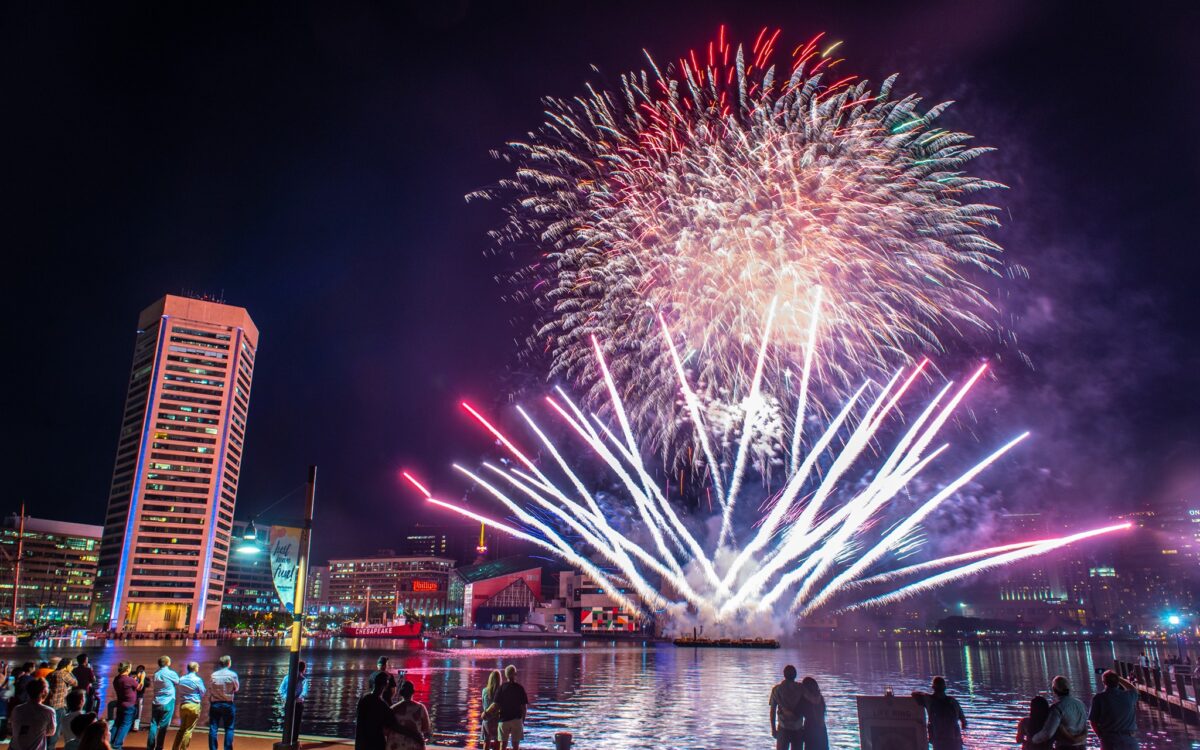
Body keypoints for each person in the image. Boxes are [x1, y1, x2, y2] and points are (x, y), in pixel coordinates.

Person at [1030, 676, 1088, 750]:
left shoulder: (1057, 708)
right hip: (1082, 746)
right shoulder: (1080, 704)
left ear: (1054, 690)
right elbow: (1084, 726)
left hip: (1065, 747)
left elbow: (1048, 733)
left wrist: (1033, 739)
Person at [912, 676, 967, 750]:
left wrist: (926, 694)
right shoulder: (953, 701)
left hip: (939, 739)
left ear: (933, 688)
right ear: (945, 688)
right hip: (955, 740)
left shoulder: (929, 700)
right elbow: (964, 722)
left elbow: (914, 694)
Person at [1088, 670, 1139, 750]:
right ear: (1118, 682)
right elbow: (1133, 689)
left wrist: (1101, 737)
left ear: (1104, 682)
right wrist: (1120, 679)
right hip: (1130, 739)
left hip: (1109, 740)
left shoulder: (1099, 698)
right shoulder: (1129, 696)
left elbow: (1093, 721)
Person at [356, 673, 401, 750]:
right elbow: (393, 724)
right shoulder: (383, 705)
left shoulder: (363, 698)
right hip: (377, 744)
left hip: (362, 742)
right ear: (386, 685)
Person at [10, 679, 57, 750]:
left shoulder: (17, 709)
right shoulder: (48, 711)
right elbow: (51, 732)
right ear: (44, 692)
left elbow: (15, 727)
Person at [767, 665, 805, 750]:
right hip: (798, 727)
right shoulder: (801, 688)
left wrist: (773, 729)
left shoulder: (776, 689)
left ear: (784, 675)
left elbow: (772, 711)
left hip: (783, 728)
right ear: (795, 675)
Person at [386, 680, 431, 750]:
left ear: (401, 693)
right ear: (413, 692)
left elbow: (387, 729)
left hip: (395, 745)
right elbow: (426, 728)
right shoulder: (420, 708)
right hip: (413, 745)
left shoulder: (393, 709)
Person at [146, 657, 179, 750]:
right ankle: (159, 747)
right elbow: (177, 681)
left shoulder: (156, 674)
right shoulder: (171, 673)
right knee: (163, 726)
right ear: (168, 663)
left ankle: (150, 746)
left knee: (153, 724)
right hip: (168, 701)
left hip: (156, 701)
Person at [170, 663, 204, 750]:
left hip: (183, 705)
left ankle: (175, 748)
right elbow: (203, 692)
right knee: (188, 730)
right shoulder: (197, 679)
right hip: (193, 705)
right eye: (198, 666)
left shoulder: (181, 679)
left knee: (182, 729)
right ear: (195, 668)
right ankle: (183, 749)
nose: (199, 667)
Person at [493, 665, 528, 750]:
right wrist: (523, 720)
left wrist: (489, 714)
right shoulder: (520, 688)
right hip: (516, 719)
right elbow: (524, 707)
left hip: (503, 719)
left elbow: (496, 704)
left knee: (503, 745)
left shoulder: (501, 688)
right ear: (515, 674)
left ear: (506, 675)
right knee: (515, 746)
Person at [207, 656, 239, 750]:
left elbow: (210, 688)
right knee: (229, 728)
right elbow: (236, 688)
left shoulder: (213, 675)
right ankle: (227, 748)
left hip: (215, 704)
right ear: (228, 663)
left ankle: (213, 748)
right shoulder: (232, 675)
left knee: (213, 728)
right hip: (228, 704)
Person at [47, 659, 78, 749]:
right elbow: (75, 683)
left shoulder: (51, 674)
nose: (72, 667)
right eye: (71, 665)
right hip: (59, 705)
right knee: (56, 730)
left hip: (49, 704)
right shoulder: (64, 674)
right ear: (66, 666)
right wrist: (71, 672)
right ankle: (50, 747)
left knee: (49, 728)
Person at [109, 664, 138, 750]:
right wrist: (142, 678)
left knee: (117, 724)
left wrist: (133, 680)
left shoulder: (117, 679)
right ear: (127, 669)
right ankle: (117, 745)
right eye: (129, 667)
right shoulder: (129, 679)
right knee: (125, 725)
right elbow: (139, 687)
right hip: (129, 705)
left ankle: (110, 742)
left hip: (120, 704)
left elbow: (127, 686)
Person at [278, 662, 308, 741]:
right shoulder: (304, 680)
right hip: (298, 704)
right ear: (303, 669)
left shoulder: (286, 678)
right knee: (296, 723)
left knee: (287, 722)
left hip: (288, 703)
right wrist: (297, 699)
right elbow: (304, 693)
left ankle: (286, 739)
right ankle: (294, 740)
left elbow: (280, 690)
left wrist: (287, 698)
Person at [799, 676, 829, 750]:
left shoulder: (804, 699)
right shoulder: (820, 698)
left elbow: (797, 712)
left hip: (810, 730)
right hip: (821, 729)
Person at [480, 669, 502, 750]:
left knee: (486, 741)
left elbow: (483, 704)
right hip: (497, 720)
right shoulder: (500, 692)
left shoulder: (484, 691)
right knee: (497, 742)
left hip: (486, 719)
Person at [130, 668, 146, 733]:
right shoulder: (132, 679)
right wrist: (140, 679)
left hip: (139, 697)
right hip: (132, 698)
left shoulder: (144, 679)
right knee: (134, 710)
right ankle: (132, 725)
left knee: (138, 710)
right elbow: (139, 688)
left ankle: (136, 725)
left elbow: (146, 685)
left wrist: (142, 679)